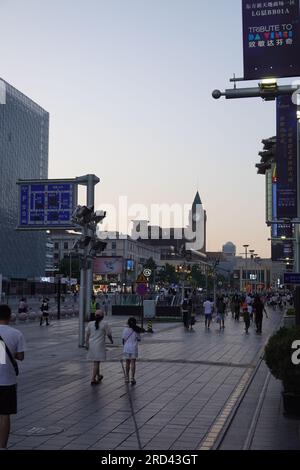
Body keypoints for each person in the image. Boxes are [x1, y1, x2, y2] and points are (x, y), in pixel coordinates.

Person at [0, 304, 26, 449]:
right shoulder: (16, 333)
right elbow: (21, 357)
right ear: (10, 317)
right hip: (7, 380)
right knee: (4, 415)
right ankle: (2, 446)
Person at [85, 310, 113, 385]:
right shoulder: (105, 324)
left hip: (92, 345)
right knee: (96, 362)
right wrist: (111, 340)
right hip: (99, 345)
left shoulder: (90, 324)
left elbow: (87, 334)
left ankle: (98, 376)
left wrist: (86, 343)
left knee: (96, 362)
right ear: (103, 316)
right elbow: (109, 334)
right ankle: (93, 379)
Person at [122, 317, 142, 385]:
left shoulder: (125, 330)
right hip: (133, 348)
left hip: (126, 348)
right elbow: (139, 339)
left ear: (128, 323)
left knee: (127, 362)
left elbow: (123, 339)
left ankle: (126, 378)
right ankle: (132, 378)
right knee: (133, 362)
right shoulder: (136, 330)